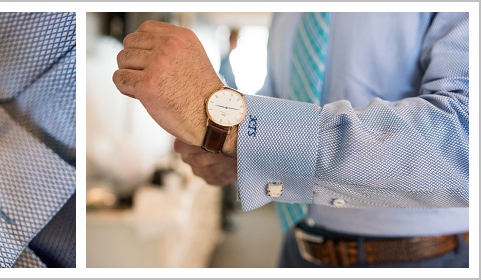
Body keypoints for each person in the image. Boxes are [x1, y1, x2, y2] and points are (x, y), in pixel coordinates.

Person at [113, 13, 469, 268]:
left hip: (422, 260)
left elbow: (465, 135)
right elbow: (279, 100)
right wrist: (230, 148)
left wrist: (235, 125)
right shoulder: (287, 13)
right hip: (295, 251)